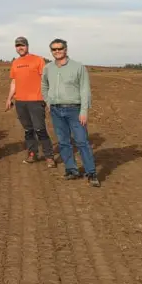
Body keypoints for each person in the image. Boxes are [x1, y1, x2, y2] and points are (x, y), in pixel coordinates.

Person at [42, 38, 100, 187]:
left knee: (82, 141)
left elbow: (84, 89)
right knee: (63, 142)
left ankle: (91, 172)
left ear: (66, 49)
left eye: (59, 48)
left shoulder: (78, 67)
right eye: (54, 49)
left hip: (74, 110)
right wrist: (49, 102)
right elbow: (44, 85)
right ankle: (71, 169)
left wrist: (84, 110)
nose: (57, 51)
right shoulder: (48, 68)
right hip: (56, 110)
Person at [5, 36, 55, 167]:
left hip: (36, 101)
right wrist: (9, 98)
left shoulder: (38, 60)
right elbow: (14, 81)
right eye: (17, 46)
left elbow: (46, 80)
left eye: (22, 45)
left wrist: (48, 100)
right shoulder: (15, 63)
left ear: (27, 46)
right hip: (20, 102)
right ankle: (32, 154)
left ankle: (49, 156)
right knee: (28, 130)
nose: (20, 48)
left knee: (40, 129)